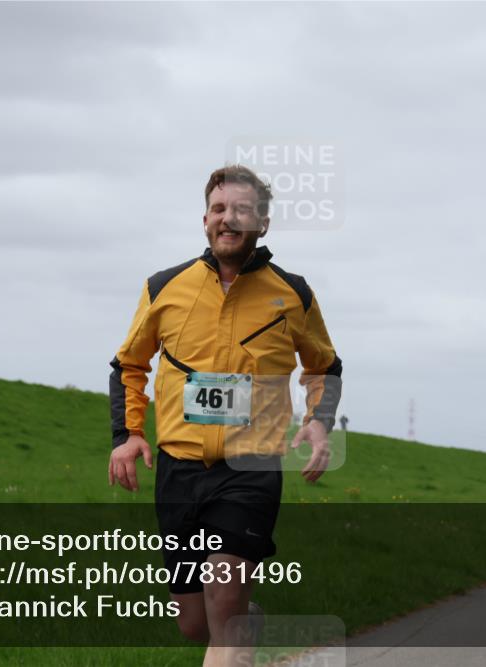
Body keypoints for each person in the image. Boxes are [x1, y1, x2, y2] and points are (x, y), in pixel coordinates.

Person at [108, 164, 343, 664]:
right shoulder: (164, 286)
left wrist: (318, 418)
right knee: (196, 623)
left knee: (224, 597)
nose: (228, 219)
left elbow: (324, 365)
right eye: (219, 209)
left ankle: (237, 622)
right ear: (205, 219)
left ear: (262, 224)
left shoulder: (292, 293)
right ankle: (246, 624)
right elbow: (130, 363)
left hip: (249, 470)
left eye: (241, 210)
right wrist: (127, 433)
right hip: (178, 469)